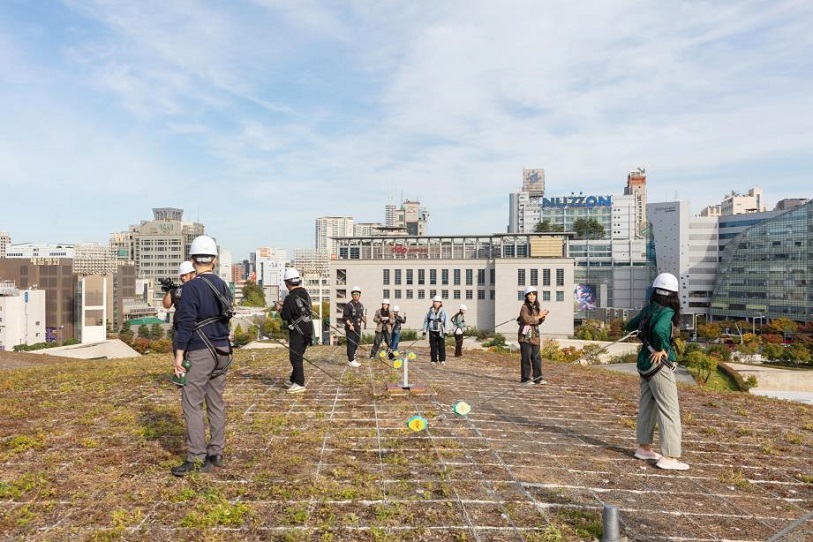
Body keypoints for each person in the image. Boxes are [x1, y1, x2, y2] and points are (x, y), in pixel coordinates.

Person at [171, 235, 233, 476]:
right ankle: (216, 451)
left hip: (201, 350)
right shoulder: (222, 285)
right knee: (215, 401)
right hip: (222, 351)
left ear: (192, 259)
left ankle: (196, 456)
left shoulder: (191, 288)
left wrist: (179, 356)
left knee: (192, 402)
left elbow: (185, 324)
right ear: (214, 260)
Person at [624, 272, 689, 471]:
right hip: (659, 366)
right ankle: (669, 456)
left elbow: (629, 326)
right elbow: (661, 329)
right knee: (669, 411)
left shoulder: (649, 309)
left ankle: (644, 448)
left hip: (645, 363)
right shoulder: (667, 310)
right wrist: (661, 348)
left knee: (647, 406)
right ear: (673, 294)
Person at [278, 268, 312, 394]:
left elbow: (285, 316)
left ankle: (299, 382)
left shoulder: (290, 298)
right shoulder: (305, 294)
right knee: (298, 355)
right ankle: (293, 379)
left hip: (297, 331)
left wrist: (279, 309)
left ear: (287, 283)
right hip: (308, 328)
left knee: (295, 357)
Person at [517, 286, 549, 384]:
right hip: (526, 337)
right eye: (530, 295)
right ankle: (525, 379)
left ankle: (538, 378)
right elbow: (527, 320)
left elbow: (537, 322)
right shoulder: (524, 307)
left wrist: (543, 317)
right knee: (526, 358)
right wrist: (539, 316)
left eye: (534, 295)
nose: (532, 297)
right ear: (526, 296)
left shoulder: (536, 307)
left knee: (537, 358)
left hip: (535, 336)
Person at [343, 286, 366, 367]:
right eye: (354, 294)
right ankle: (351, 360)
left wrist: (363, 319)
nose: (355, 295)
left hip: (358, 327)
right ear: (352, 295)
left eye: (357, 294)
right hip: (350, 328)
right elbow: (345, 317)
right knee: (351, 343)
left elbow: (361, 315)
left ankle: (353, 356)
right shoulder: (348, 305)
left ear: (359, 295)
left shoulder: (361, 305)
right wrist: (349, 325)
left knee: (356, 343)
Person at [422, 295, 448, 366]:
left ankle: (442, 360)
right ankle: (433, 360)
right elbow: (426, 321)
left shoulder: (443, 311)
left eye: (438, 302)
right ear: (433, 302)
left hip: (440, 330)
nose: (436, 303)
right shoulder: (430, 311)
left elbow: (446, 321)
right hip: (432, 330)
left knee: (441, 345)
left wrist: (446, 331)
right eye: (435, 301)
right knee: (433, 346)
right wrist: (424, 330)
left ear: (440, 303)